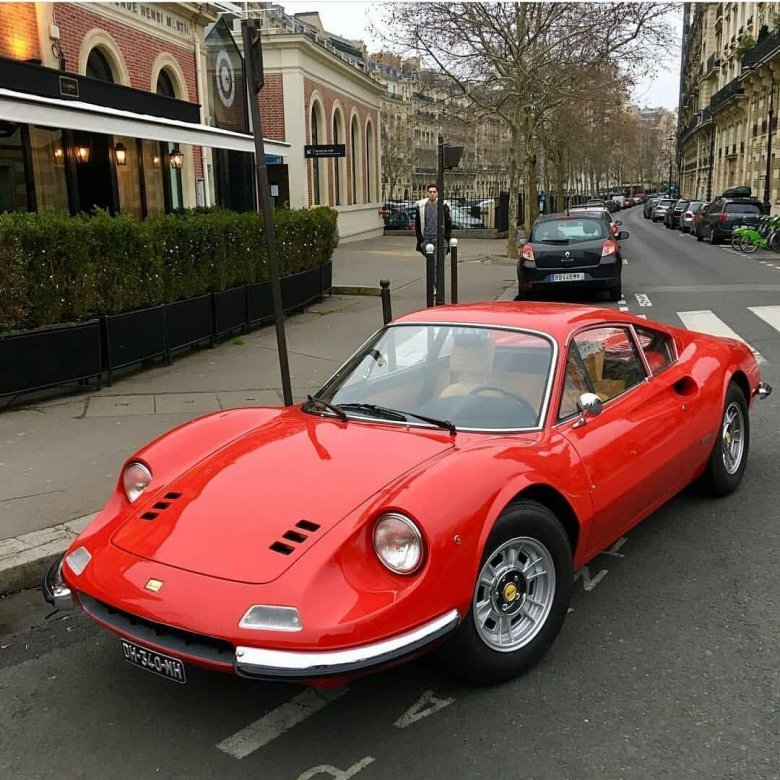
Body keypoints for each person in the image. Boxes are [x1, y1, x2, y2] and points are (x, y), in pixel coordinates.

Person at [415, 184, 452, 258]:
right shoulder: (422, 207)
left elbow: (448, 223)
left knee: (436, 264)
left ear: (437, 193)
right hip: (426, 239)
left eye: (434, 192)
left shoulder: (443, 206)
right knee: (430, 263)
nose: (432, 194)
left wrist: (446, 239)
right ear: (427, 193)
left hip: (440, 239)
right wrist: (421, 240)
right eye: (430, 192)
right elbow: (417, 224)